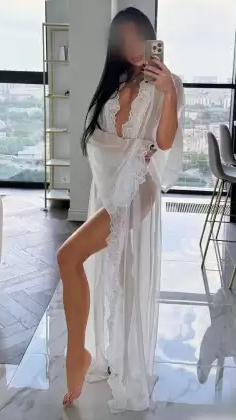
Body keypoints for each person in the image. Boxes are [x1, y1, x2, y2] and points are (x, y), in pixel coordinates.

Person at [57, 7, 185, 413]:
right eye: (124, 39)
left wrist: (169, 93)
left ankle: (79, 355)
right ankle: (106, 352)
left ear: (150, 38)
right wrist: (122, 155)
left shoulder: (167, 84)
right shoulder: (113, 86)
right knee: (119, 273)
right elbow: (100, 142)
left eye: (137, 37)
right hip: (111, 186)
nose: (132, 46)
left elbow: (164, 142)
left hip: (137, 188)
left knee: (68, 255)